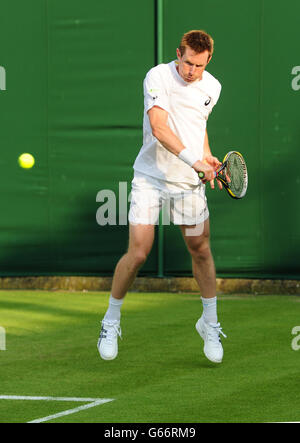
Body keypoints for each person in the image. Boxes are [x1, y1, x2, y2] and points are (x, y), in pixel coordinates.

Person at [97, 30, 227, 364]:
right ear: (178, 54)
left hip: (189, 186)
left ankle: (209, 323)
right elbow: (159, 127)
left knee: (200, 249)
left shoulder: (212, 87)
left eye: (198, 65)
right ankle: (110, 321)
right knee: (139, 252)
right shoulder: (158, 76)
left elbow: (197, 126)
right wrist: (194, 160)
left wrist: (207, 154)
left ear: (208, 60)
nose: (191, 71)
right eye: (186, 62)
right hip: (150, 179)